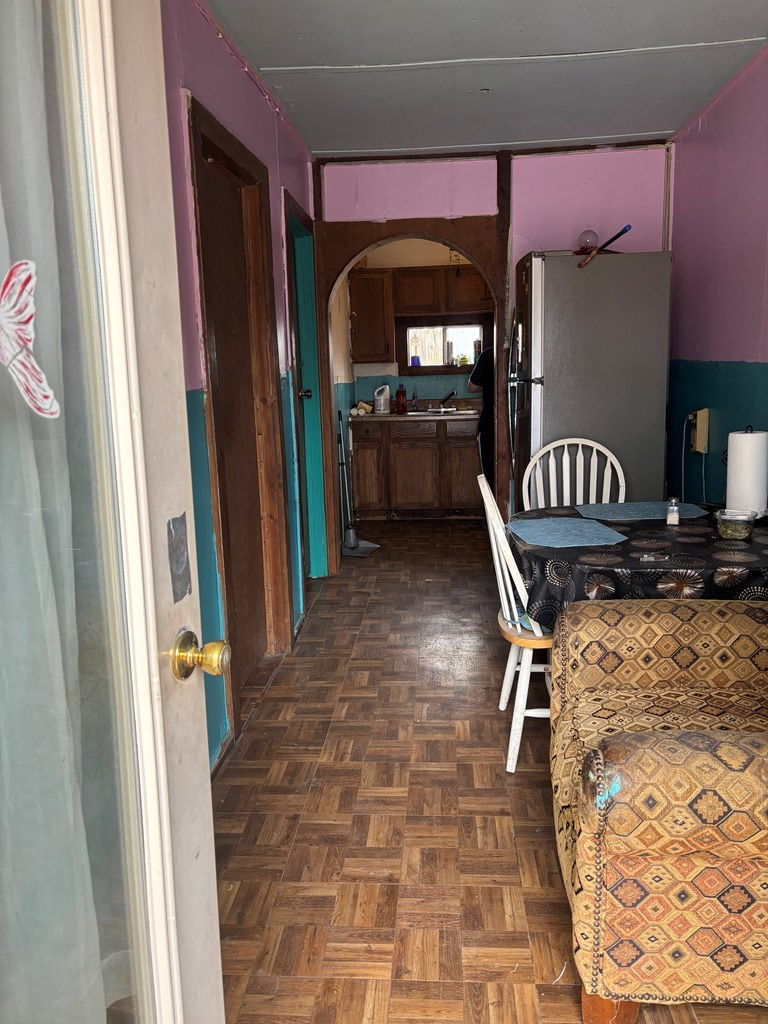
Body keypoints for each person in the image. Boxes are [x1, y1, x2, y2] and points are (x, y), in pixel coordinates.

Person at [467, 345, 494, 490]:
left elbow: (472, 387)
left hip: (490, 420)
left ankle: (493, 503)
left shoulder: (488, 355)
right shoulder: (521, 352)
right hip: (520, 418)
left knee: (490, 471)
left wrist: (488, 383)